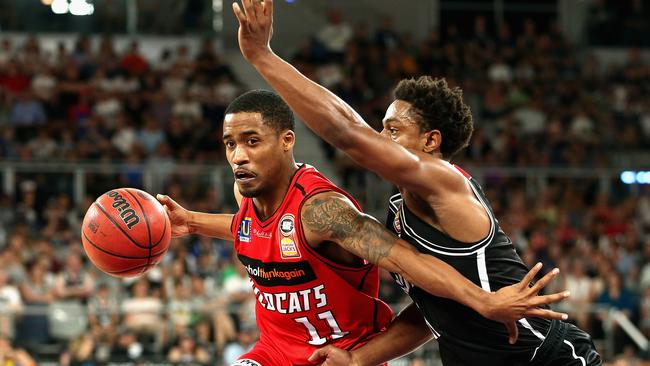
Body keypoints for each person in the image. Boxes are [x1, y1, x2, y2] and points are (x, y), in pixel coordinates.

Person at [230, 1, 601, 365]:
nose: (380, 137)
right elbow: (429, 312)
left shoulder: (445, 183)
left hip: (541, 356)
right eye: (381, 128)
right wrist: (358, 359)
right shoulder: (401, 213)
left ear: (430, 141)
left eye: (392, 130)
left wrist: (263, 56)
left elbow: (347, 133)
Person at [157, 89, 567, 365]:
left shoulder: (324, 210)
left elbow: (405, 260)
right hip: (274, 352)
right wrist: (191, 221)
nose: (238, 156)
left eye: (251, 141)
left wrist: (483, 300)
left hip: (337, 354)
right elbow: (258, 232)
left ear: (285, 140)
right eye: (230, 144)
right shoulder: (246, 194)